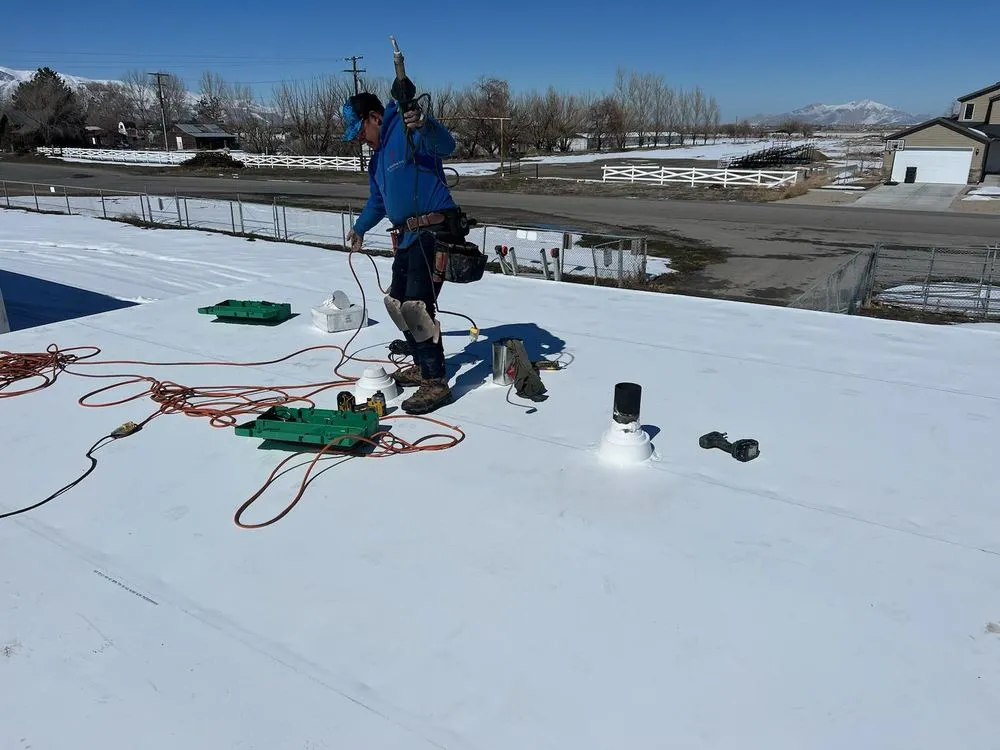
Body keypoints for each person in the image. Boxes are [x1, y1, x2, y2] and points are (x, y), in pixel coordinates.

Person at [343, 91, 461, 415]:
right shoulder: (377, 160)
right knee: (396, 304)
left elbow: (445, 145)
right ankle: (423, 365)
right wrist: (360, 227)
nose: (362, 140)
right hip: (408, 237)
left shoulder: (407, 129)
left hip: (434, 229)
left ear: (374, 117)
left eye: (361, 132)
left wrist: (424, 124)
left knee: (415, 306)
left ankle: (436, 382)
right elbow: (378, 202)